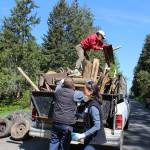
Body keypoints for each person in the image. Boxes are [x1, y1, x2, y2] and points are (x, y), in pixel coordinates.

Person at [49, 77, 84, 150]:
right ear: (72, 85)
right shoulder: (75, 94)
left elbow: (59, 85)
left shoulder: (57, 91)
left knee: (54, 142)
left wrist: (61, 82)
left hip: (56, 122)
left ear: (63, 85)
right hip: (67, 124)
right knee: (64, 145)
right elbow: (84, 96)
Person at [72, 80, 106, 150]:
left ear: (91, 92)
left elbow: (97, 126)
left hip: (94, 141)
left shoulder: (93, 106)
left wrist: (83, 135)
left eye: (84, 90)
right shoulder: (89, 102)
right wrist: (76, 114)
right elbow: (87, 116)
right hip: (89, 139)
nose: (83, 92)